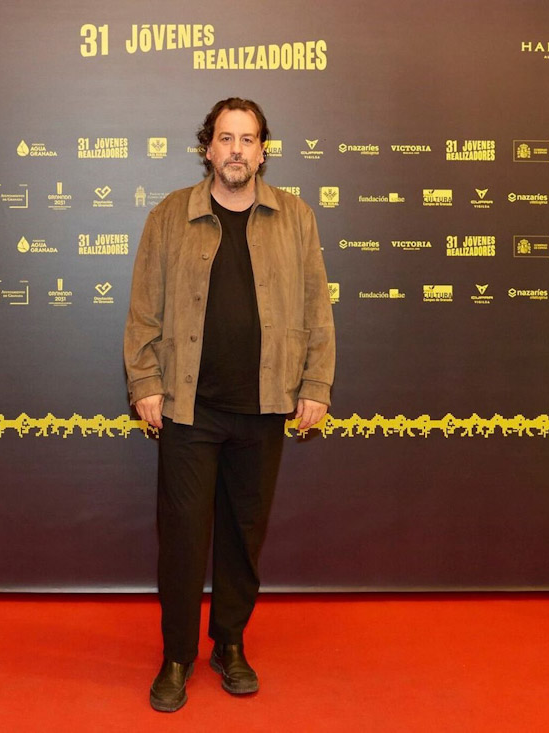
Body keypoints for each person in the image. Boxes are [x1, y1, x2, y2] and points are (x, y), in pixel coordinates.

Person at [124, 97, 335, 712]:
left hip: (264, 405)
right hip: (188, 407)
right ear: (207, 148)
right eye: (225, 138)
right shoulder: (170, 215)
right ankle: (177, 655)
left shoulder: (296, 217)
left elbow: (317, 308)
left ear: (263, 150)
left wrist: (315, 385)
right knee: (183, 538)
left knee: (244, 536)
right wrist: (145, 382)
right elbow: (144, 308)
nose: (236, 150)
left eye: (248, 139)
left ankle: (230, 644)